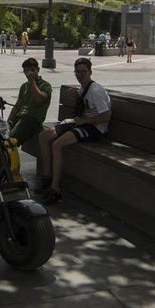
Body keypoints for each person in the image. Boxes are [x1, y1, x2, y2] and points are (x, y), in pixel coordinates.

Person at [35, 57, 111, 204]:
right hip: (81, 123)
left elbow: (106, 116)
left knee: (57, 144)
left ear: (90, 72)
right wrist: (77, 97)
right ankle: (47, 176)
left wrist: (85, 121)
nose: (79, 75)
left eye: (83, 72)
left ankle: (55, 188)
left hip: (94, 128)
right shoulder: (83, 88)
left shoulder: (96, 90)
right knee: (44, 136)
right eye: (77, 72)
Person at [0, 58, 52, 182]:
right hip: (19, 118)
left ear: (38, 70)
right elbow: (17, 105)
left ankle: (2, 172)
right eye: (26, 71)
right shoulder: (24, 86)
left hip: (31, 119)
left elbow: (40, 99)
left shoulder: (45, 86)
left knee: (7, 142)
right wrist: (7, 122)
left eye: (32, 71)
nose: (28, 74)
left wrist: (32, 81)